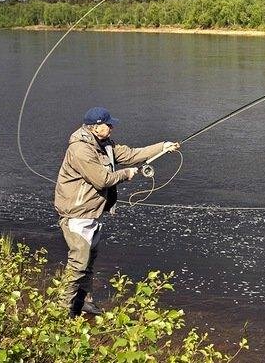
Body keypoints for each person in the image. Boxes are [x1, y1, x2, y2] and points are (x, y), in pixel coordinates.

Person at [54, 106, 180, 317]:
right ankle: (61, 310)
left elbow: (131, 154)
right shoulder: (80, 150)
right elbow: (102, 179)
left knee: (89, 261)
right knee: (78, 263)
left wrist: (163, 147)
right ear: (95, 127)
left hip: (92, 212)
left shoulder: (105, 144)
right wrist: (126, 174)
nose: (112, 127)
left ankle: (83, 300)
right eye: (108, 124)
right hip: (76, 214)